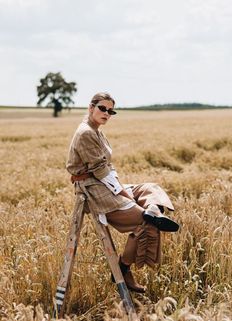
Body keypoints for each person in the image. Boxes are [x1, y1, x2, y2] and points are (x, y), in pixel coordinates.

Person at [66, 92, 179, 293]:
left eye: (110, 111)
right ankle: (123, 268)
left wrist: (120, 185)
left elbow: (108, 167)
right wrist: (124, 194)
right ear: (91, 107)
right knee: (145, 222)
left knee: (150, 188)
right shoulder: (86, 133)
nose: (107, 113)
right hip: (95, 189)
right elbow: (101, 171)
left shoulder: (97, 130)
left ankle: (153, 209)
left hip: (107, 182)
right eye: (102, 108)